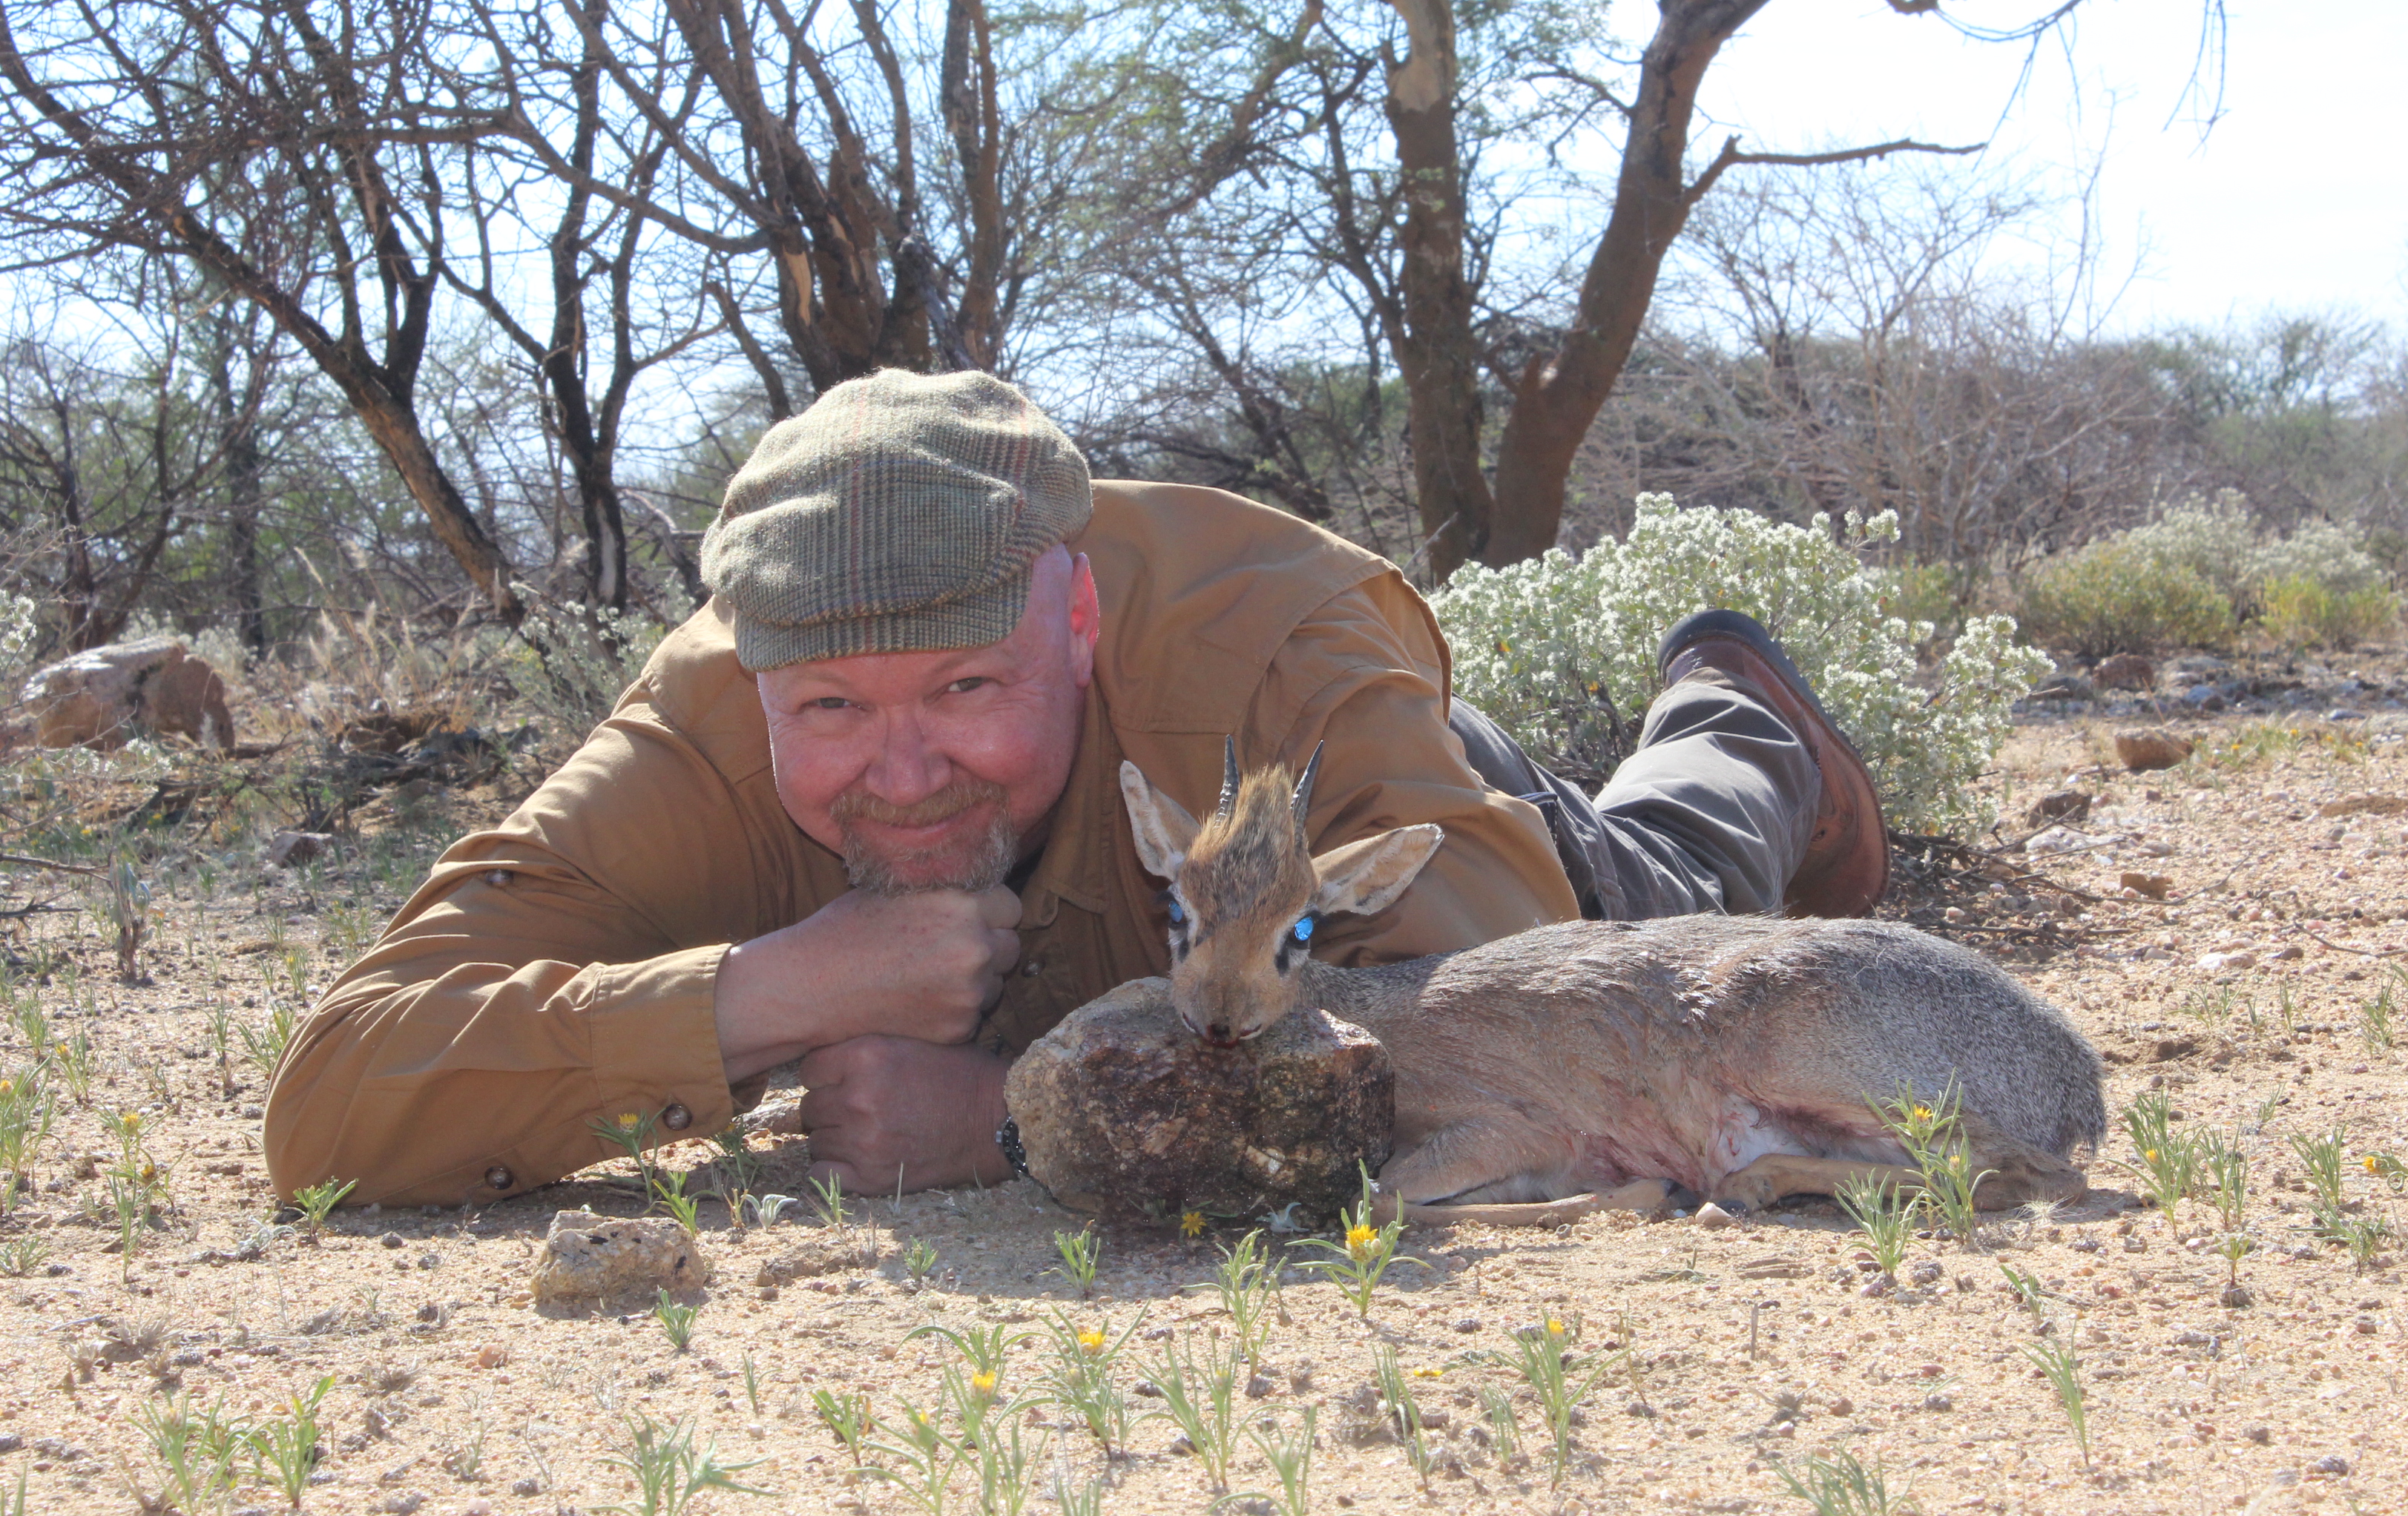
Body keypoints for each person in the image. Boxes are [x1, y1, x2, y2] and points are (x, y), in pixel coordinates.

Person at [265, 371, 1886, 1207]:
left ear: (1081, 616)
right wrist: (766, 993)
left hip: (1396, 853)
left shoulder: (1269, 637)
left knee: (1670, 885)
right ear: (747, 672)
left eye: (969, 688)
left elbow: (1506, 1043)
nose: (901, 773)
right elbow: (337, 1094)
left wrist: (1038, 1125)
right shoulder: (696, 722)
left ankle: (1749, 720)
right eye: (828, 709)